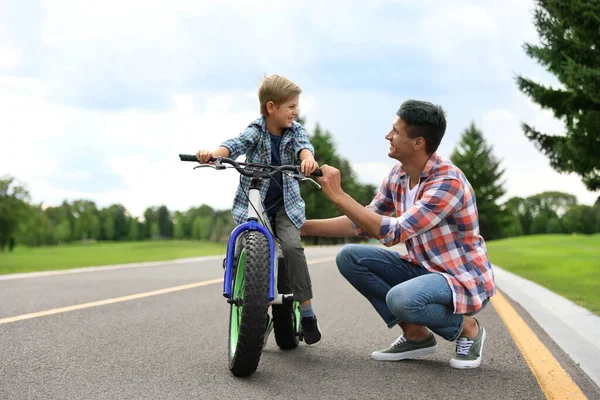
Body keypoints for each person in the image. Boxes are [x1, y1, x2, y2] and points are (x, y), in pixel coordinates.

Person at [301, 100, 496, 367]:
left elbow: (395, 233)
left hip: (460, 279)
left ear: (418, 142)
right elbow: (361, 223)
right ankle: (416, 335)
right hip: (424, 269)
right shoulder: (398, 175)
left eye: (396, 131)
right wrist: (299, 226)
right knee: (349, 257)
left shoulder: (447, 182)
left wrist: (338, 195)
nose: (388, 136)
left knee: (401, 298)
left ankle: (468, 328)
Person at [196, 74, 322, 345]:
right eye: (291, 107)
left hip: (285, 208)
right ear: (271, 107)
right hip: (254, 205)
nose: (295, 112)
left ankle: (308, 312)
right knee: (243, 248)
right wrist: (214, 155)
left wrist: (308, 160)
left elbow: (304, 148)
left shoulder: (295, 130)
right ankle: (253, 310)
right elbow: (236, 143)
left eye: (296, 106)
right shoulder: (257, 129)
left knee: (290, 247)